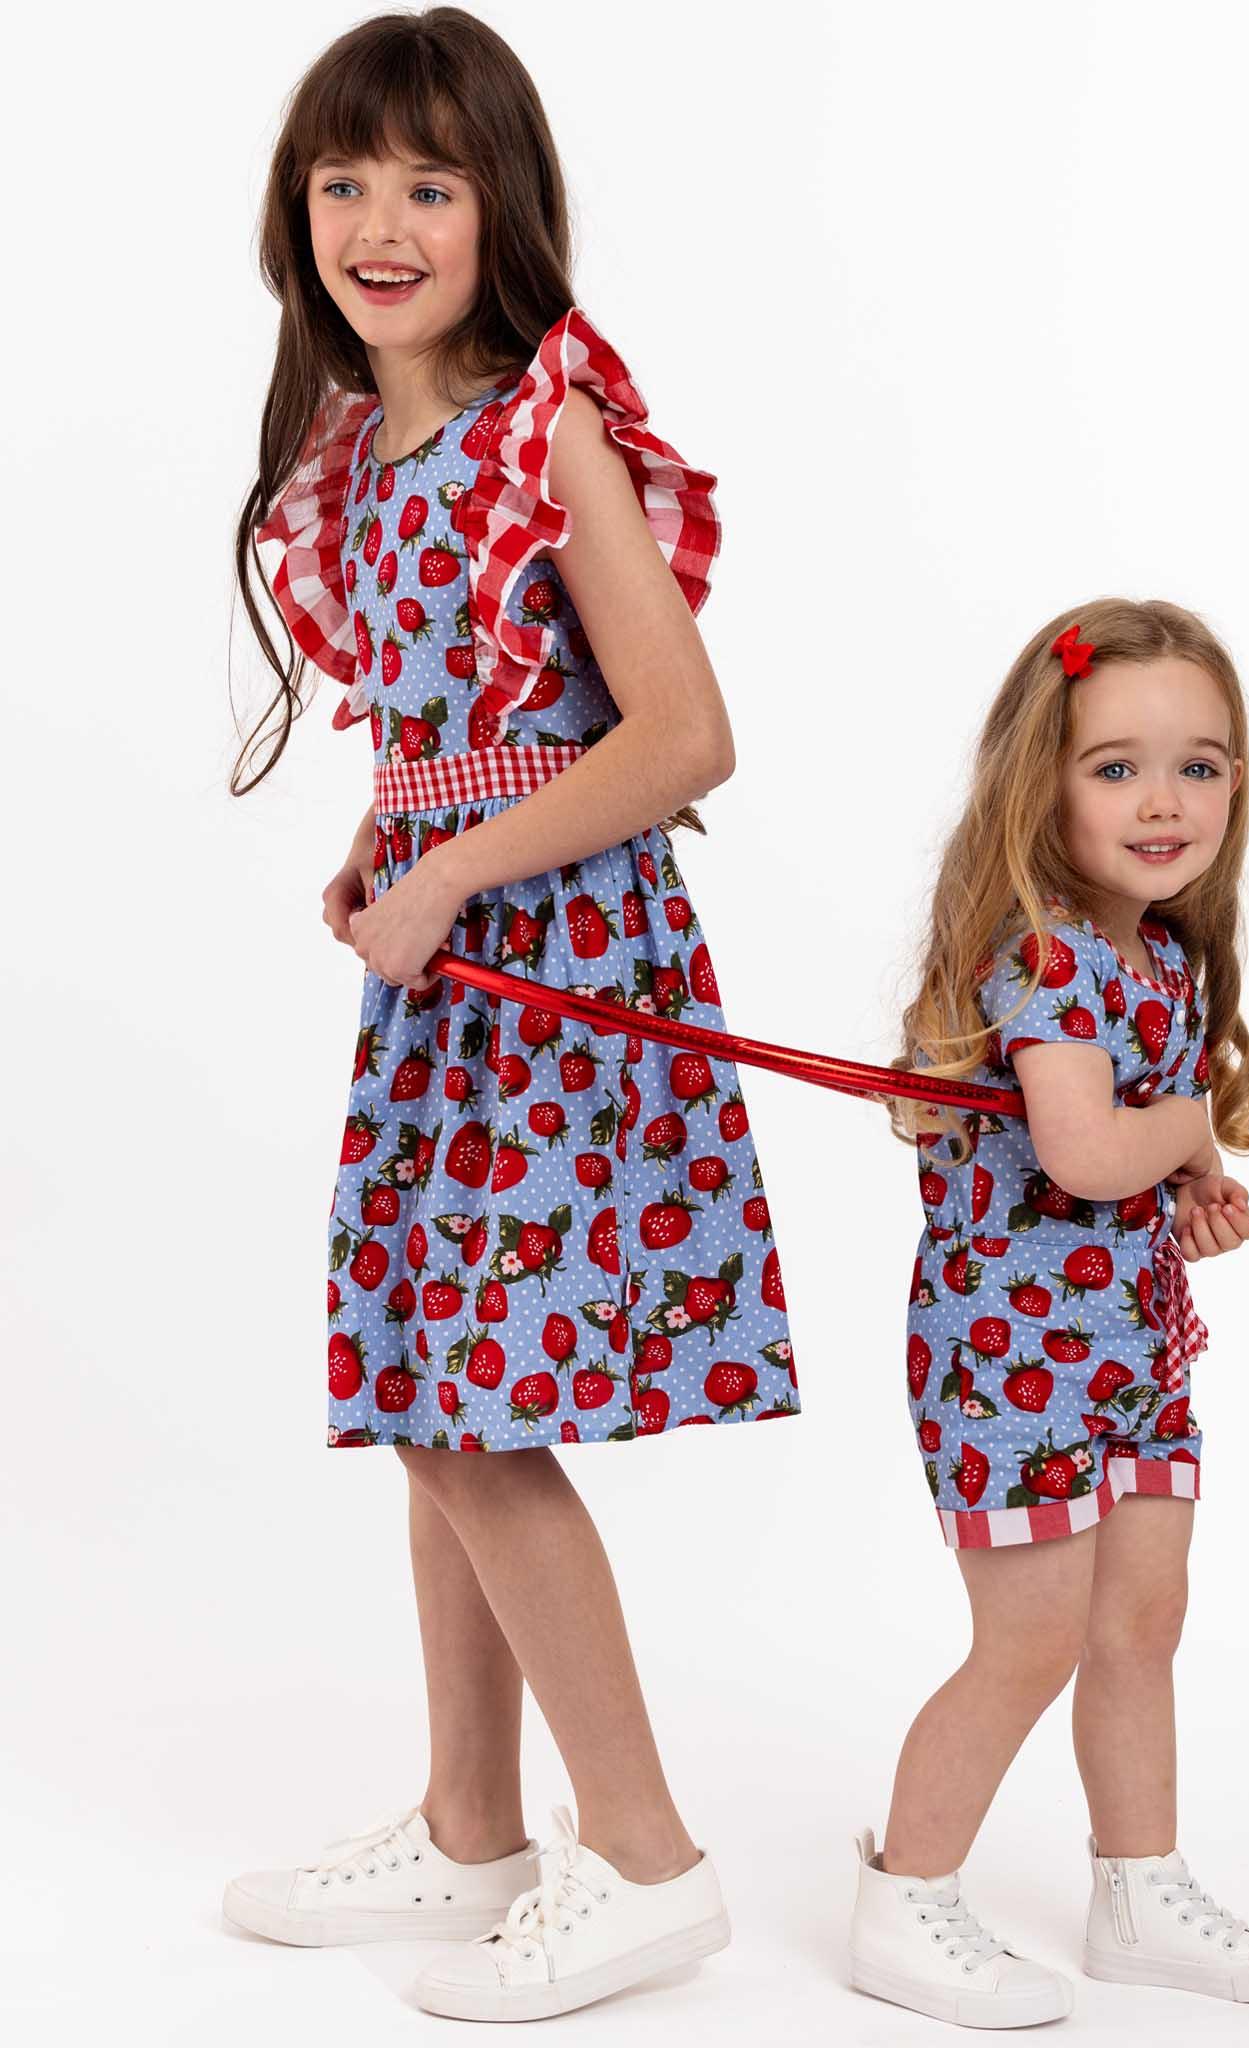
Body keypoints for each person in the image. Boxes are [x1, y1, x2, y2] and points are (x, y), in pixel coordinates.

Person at [220, 8, 797, 2023]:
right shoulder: (360, 453)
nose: (383, 222)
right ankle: (474, 1832)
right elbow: (462, 723)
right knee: (424, 1395)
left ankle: (643, 1859)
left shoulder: (545, 426)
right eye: (346, 181)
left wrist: (464, 866)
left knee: (479, 1418)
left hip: (560, 981)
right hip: (451, 977)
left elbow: (682, 731)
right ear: (299, 216)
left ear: (502, 212)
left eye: (430, 185)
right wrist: (395, 840)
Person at [850, 599, 1249, 2025]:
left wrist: (1184, 1192)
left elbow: (1119, 1170)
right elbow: (1080, 1152)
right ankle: (908, 1900)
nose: (1166, 799)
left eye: (1202, 763)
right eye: (1116, 766)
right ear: (1038, 786)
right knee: (1029, 1643)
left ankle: (1140, 1890)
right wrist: (1180, 1131)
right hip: (1015, 1366)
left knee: (1140, 1624)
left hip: (1129, 1355)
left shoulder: (1163, 958)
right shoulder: (1048, 959)